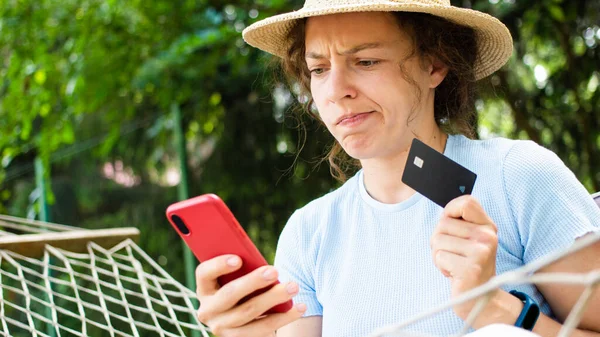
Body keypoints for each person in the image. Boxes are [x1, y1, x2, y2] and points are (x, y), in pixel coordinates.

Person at [193, 0, 600, 336]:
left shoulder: (518, 176)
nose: (335, 91)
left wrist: (495, 308)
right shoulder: (309, 232)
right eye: (318, 69)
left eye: (366, 61)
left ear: (435, 65)